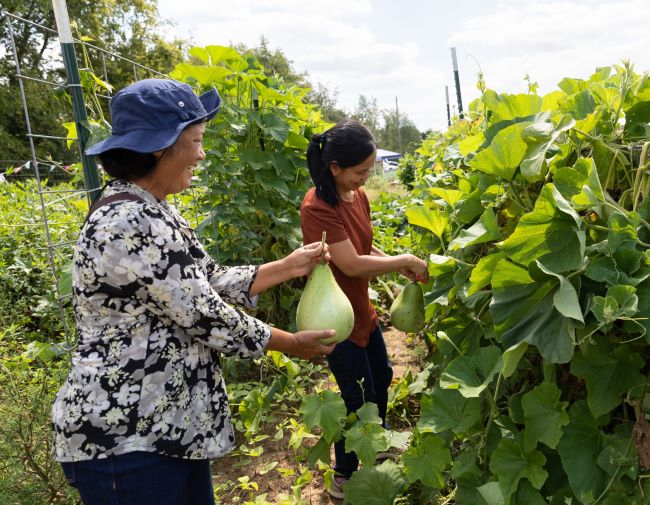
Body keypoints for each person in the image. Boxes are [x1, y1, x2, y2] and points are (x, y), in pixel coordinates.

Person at [51, 78, 336, 505]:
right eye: (197, 141)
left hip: (166, 426)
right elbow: (205, 314)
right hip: (126, 436)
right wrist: (290, 343)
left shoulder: (152, 208)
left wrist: (289, 265)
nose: (202, 154)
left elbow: (207, 280)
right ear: (158, 148)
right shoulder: (131, 221)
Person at [300, 119, 429, 499]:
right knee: (357, 397)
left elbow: (361, 247)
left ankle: (374, 443)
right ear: (334, 168)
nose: (365, 178)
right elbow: (350, 264)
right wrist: (404, 257)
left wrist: (393, 260)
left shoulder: (359, 197)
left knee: (383, 375)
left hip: (361, 308)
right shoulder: (317, 207)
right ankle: (344, 473)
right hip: (334, 319)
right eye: (360, 172)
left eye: (369, 170)